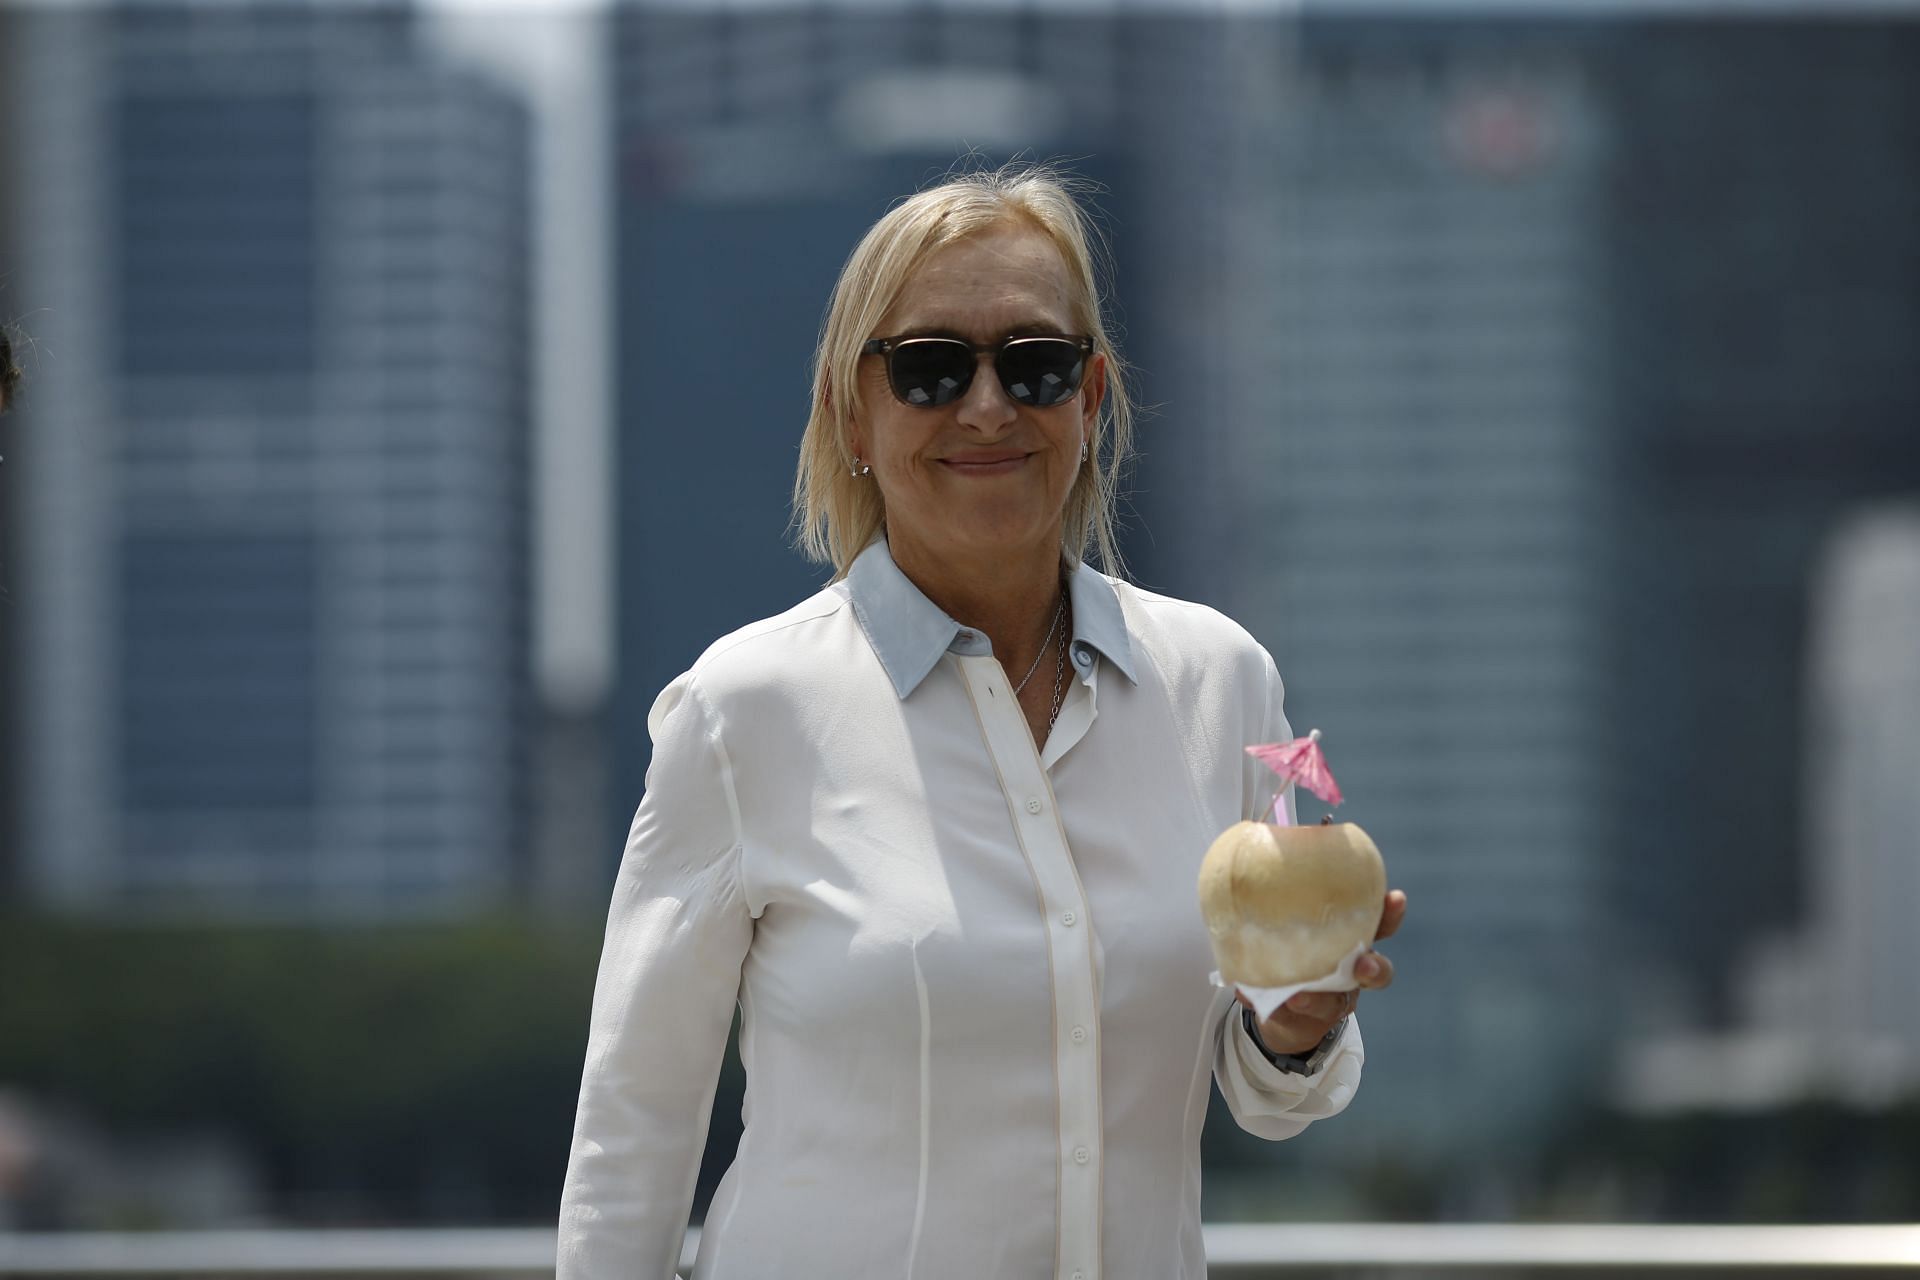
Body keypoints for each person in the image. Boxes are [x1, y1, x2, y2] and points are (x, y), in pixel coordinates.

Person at [558, 165, 1407, 1280]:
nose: (989, 406)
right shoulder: (743, 707)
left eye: (1037, 364)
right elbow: (634, 1130)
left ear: (1091, 399)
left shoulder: (1218, 681)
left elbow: (1263, 1093)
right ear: (848, 412)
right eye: (930, 369)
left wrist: (1294, 1026)